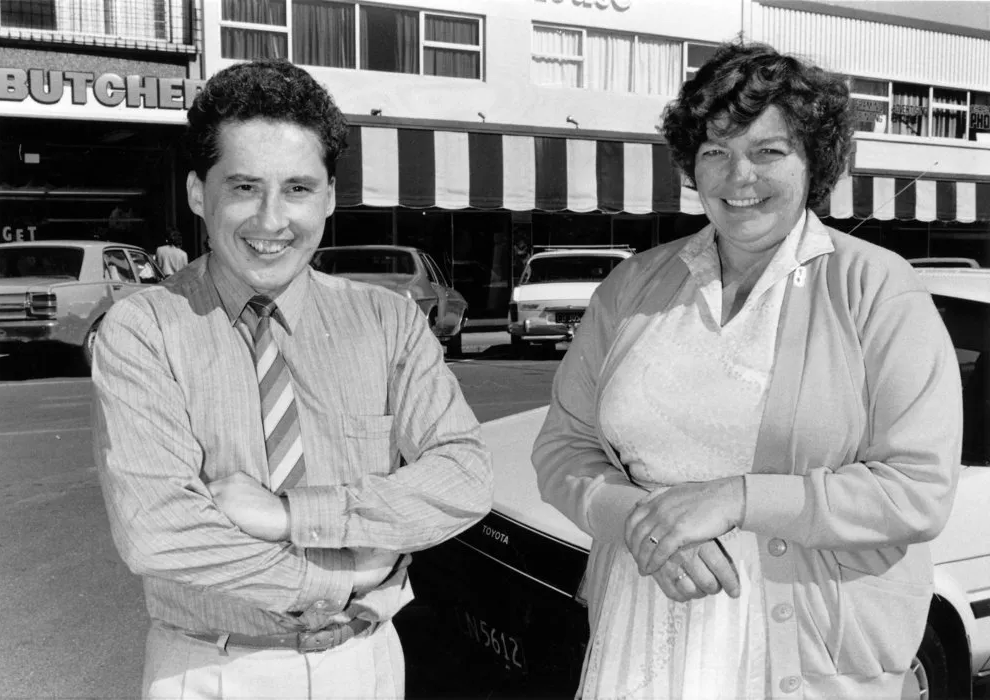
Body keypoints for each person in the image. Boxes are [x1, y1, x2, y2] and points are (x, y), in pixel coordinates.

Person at [532, 41, 962, 699]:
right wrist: (637, 519)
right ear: (690, 164)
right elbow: (564, 450)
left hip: (801, 650)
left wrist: (734, 497)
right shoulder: (631, 287)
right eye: (715, 152)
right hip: (644, 623)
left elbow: (916, 490)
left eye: (768, 151)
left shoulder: (879, 289)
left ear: (813, 160)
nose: (739, 177)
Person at [93, 59, 493, 699]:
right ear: (200, 192)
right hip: (212, 669)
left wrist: (290, 515)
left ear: (330, 198)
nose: (271, 220)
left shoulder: (386, 321)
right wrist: (337, 582)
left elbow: (465, 477)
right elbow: (159, 529)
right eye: (245, 187)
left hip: (364, 666)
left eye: (299, 189)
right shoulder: (145, 329)